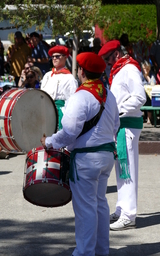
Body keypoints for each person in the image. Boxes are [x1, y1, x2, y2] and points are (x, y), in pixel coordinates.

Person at [41, 52, 120, 256]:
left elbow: (69, 132)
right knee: (100, 204)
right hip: (106, 157)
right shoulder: (108, 95)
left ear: (82, 71)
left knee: (86, 209)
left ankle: (84, 253)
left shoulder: (80, 96)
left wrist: (49, 141)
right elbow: (116, 125)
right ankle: (102, 251)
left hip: (86, 160)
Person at [98, 40, 146, 231]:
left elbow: (140, 97)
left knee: (128, 169)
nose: (107, 63)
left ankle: (129, 214)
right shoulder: (119, 70)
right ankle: (122, 208)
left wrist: (118, 111)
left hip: (127, 124)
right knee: (122, 169)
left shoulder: (129, 69)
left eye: (108, 59)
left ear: (117, 54)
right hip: (121, 125)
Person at [41, 45, 78, 129]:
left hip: (60, 114)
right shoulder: (47, 75)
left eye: (57, 56)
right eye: (53, 56)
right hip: (45, 111)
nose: (54, 58)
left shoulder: (70, 78)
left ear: (65, 58)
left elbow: (73, 102)